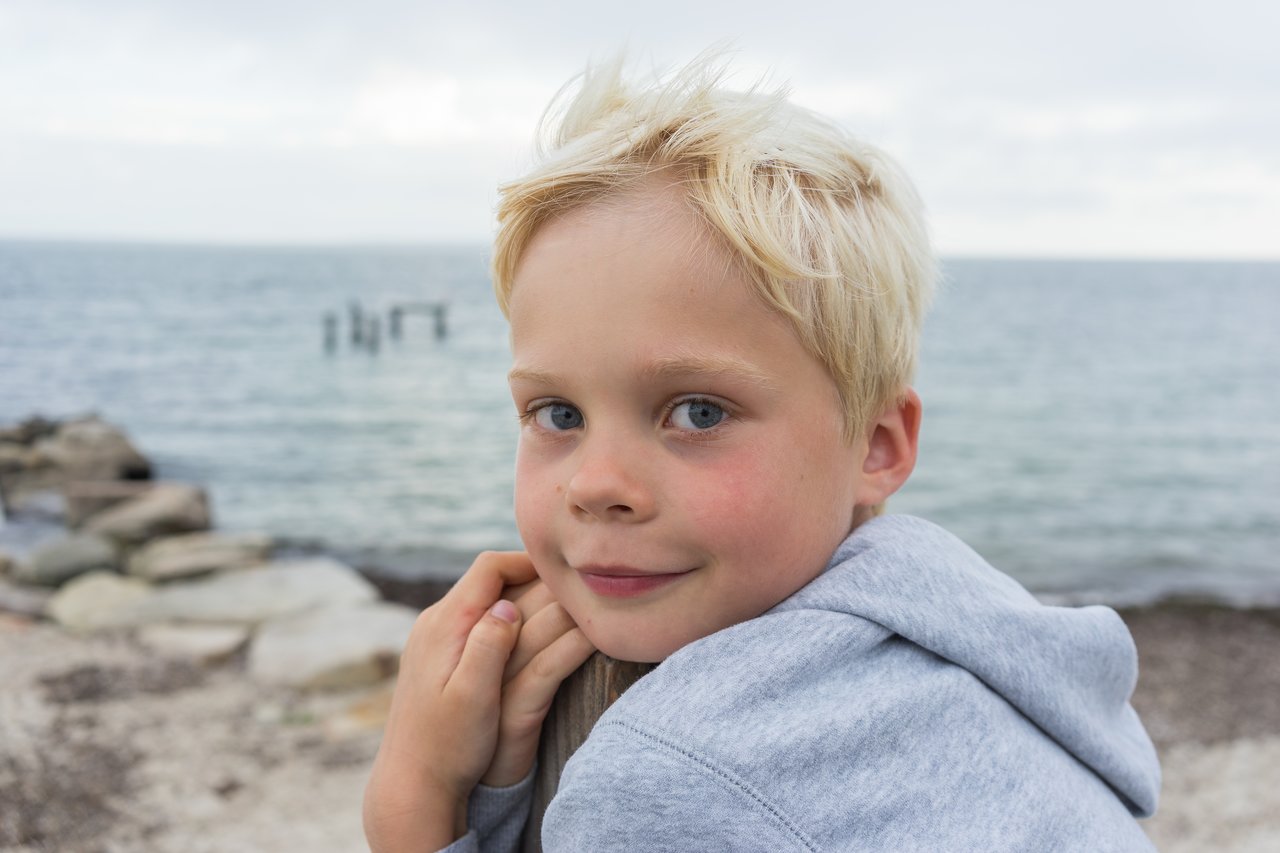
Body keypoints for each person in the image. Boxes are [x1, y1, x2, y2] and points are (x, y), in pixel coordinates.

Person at [363, 54, 1161, 852]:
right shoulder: (964, 627)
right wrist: (506, 795)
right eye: (557, 412)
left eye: (698, 412)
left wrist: (417, 791)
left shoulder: (668, 779)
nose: (597, 484)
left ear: (877, 446)